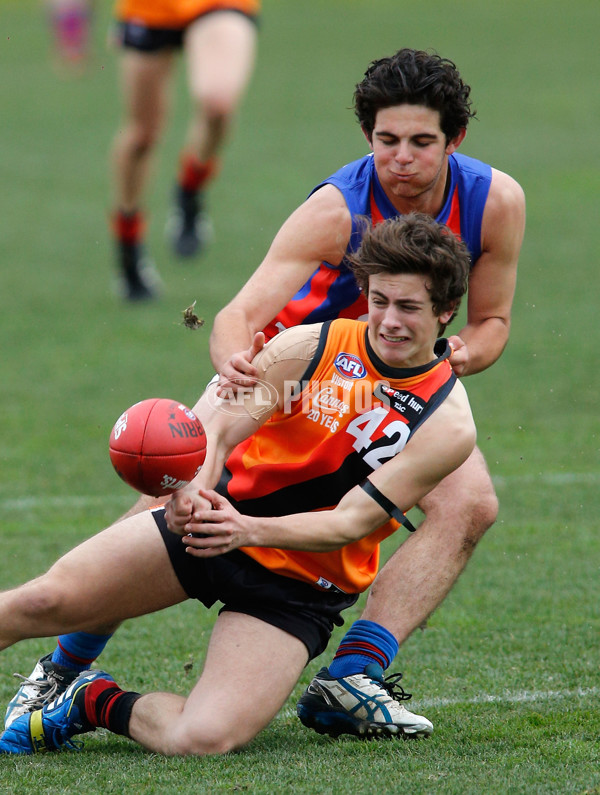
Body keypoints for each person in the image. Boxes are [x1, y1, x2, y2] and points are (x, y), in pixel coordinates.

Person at [4, 47, 525, 741]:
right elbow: (238, 315)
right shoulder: (337, 210)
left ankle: (354, 672)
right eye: (386, 141)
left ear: (454, 140)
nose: (401, 158)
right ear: (367, 138)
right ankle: (64, 666)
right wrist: (235, 364)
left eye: (421, 142)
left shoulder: (495, 203)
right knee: (170, 490)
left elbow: (492, 323)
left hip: (407, 382)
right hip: (294, 368)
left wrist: (458, 356)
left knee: (470, 502)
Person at [0, 215, 475, 756]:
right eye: (380, 301)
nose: (389, 321)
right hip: (212, 525)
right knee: (37, 602)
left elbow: (350, 521)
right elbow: (218, 429)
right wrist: (194, 493)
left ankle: (87, 700)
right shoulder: (309, 346)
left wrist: (245, 529)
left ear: (445, 312)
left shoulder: (447, 423)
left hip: (300, 585)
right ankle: (65, 671)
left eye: (409, 308)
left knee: (202, 738)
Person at [109, 0, 260, 300]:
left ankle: (188, 191)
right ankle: (128, 246)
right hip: (150, 8)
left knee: (218, 104)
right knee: (142, 136)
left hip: (218, 5)